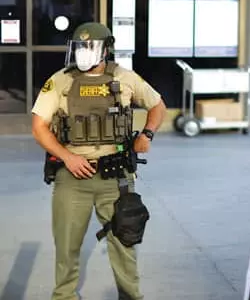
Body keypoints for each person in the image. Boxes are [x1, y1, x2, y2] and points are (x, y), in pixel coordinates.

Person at [31, 22, 166, 300]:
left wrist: (147, 135)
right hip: (72, 175)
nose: (84, 53)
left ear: (106, 50)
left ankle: (130, 296)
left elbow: (157, 105)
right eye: (80, 47)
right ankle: (64, 296)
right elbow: (38, 126)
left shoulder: (125, 78)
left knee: (125, 240)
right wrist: (67, 157)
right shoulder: (60, 81)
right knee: (67, 245)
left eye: (90, 47)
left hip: (115, 176)